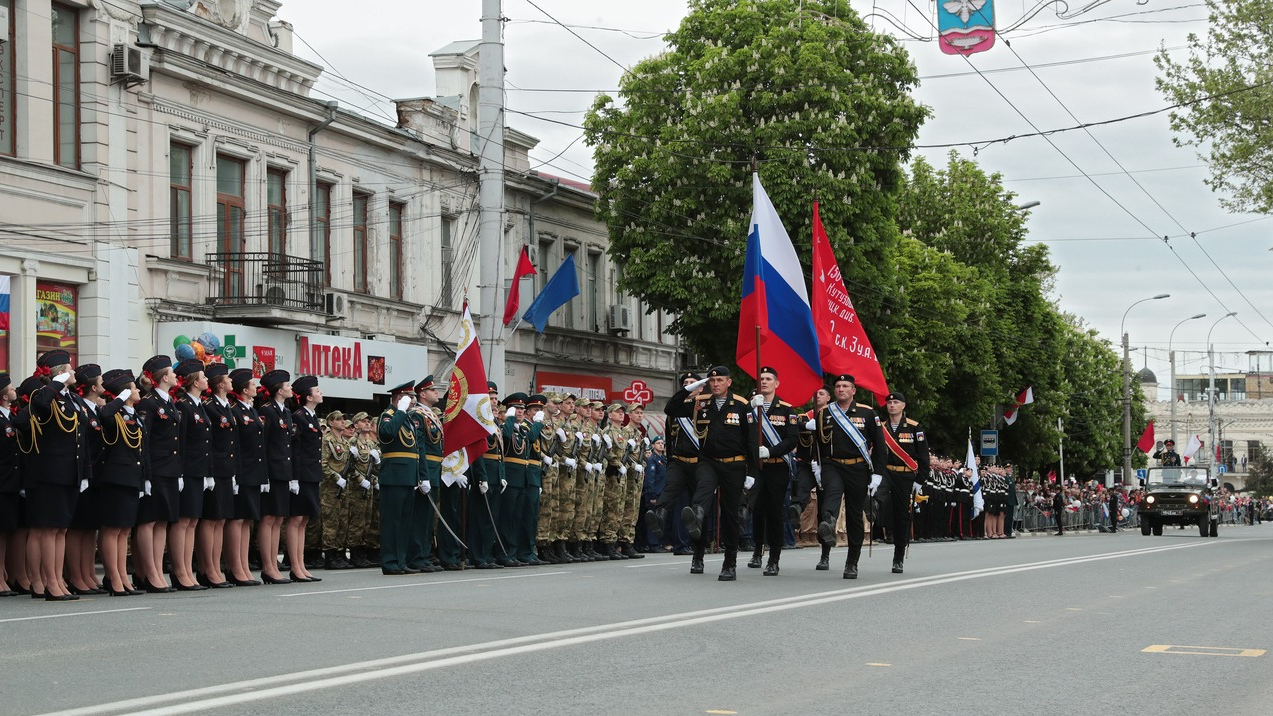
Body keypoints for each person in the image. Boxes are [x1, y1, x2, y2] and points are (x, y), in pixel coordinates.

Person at [677, 365, 759, 581]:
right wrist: (689, 390)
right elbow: (671, 409)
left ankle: (729, 562)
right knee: (702, 494)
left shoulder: (742, 405)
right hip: (709, 461)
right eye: (711, 381)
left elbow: (751, 441)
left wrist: (753, 471)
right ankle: (696, 520)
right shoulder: (701, 403)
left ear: (728, 382)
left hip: (734, 464)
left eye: (720, 380)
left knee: (730, 515)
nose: (715, 384)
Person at [809, 373, 887, 580]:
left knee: (854, 515)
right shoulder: (824, 412)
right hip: (832, 464)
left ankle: (852, 562)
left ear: (853, 391)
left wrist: (878, 475)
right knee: (832, 493)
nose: (841, 389)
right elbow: (816, 443)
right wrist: (816, 464)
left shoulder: (868, 413)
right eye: (838, 386)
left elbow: (880, 447)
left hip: (858, 467)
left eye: (845, 386)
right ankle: (828, 522)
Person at [95, 369, 146, 596]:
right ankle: (113, 577)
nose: (137, 391)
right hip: (116, 478)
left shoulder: (133, 415)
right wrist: (120, 397)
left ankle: (123, 576)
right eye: (133, 388)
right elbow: (104, 415)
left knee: (124, 530)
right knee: (112, 529)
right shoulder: (112, 413)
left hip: (132, 476)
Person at [746, 367, 800, 577]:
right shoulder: (750, 408)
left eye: (769, 379)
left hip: (777, 465)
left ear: (776, 383)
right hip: (756, 467)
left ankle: (774, 558)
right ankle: (758, 550)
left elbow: (791, 439)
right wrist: (750, 408)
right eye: (761, 379)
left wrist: (771, 450)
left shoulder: (787, 410)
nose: (765, 382)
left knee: (775, 512)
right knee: (757, 509)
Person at [135, 354, 181, 594]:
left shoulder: (169, 401)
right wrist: (146, 475)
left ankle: (156, 570)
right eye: (172, 373)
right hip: (156, 469)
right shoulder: (149, 403)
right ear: (164, 377)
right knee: (149, 520)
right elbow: (145, 441)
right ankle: (149, 572)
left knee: (162, 520)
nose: (175, 376)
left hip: (170, 468)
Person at [645, 372, 705, 550]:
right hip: (679, 461)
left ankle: (696, 543)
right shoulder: (675, 411)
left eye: (693, 383)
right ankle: (674, 537)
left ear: (701, 387)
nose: (689, 386)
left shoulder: (705, 407)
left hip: (699, 463)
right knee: (676, 501)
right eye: (686, 383)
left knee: (697, 506)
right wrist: (670, 460)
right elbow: (670, 440)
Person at [879, 391, 929, 573]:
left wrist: (920, 479)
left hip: (905, 475)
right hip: (886, 472)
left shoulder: (914, 428)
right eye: (889, 402)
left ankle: (898, 556)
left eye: (896, 402)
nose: (892, 405)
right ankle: (880, 524)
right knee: (878, 498)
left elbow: (923, 456)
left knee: (902, 516)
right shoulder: (881, 427)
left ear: (903, 406)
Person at [171, 359, 210, 591]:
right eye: (203, 377)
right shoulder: (184, 405)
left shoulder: (198, 405)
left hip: (199, 470)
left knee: (193, 521)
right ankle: (180, 571)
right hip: (187, 470)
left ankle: (188, 569)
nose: (207, 380)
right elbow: (181, 441)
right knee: (183, 521)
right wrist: (181, 471)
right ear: (195, 382)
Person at [198, 362, 237, 588]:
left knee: (221, 520)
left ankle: (215, 566)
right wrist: (210, 472)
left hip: (226, 469)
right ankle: (208, 568)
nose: (231, 382)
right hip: (214, 468)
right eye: (228, 379)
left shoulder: (226, 406)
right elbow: (209, 443)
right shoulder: (210, 406)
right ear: (221, 383)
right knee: (211, 519)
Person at [378, 380, 420, 574]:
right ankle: (389, 561)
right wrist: (400, 412)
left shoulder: (408, 419)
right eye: (409, 398)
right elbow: (386, 434)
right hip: (394, 476)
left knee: (405, 522)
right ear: (398, 399)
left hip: (408, 476)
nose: (413, 401)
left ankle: (401, 561)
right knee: (392, 522)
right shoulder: (388, 416)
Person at [226, 368, 264, 586]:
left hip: (253, 471)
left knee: (247, 519)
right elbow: (237, 445)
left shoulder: (251, 410)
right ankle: (235, 567)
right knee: (238, 518)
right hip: (241, 470)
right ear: (244, 389)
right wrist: (235, 473)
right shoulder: (236, 411)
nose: (256, 387)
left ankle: (244, 565)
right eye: (252, 384)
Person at [256, 369, 294, 584]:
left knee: (278, 518)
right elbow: (264, 444)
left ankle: (273, 563)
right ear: (279, 390)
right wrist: (265, 475)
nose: (290, 388)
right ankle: (268, 566)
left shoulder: (285, 411)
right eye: (287, 386)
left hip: (283, 470)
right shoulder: (267, 410)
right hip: (271, 470)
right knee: (269, 518)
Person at [790, 385, 833, 569]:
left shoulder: (836, 418)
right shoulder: (804, 417)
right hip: (807, 464)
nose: (817, 397)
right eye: (815, 394)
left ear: (829, 397)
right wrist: (804, 426)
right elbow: (790, 428)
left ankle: (825, 555)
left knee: (824, 509)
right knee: (801, 489)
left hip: (828, 467)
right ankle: (796, 509)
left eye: (821, 393)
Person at [406, 376, 444, 573]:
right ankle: (416, 556)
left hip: (435, 469)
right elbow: (419, 446)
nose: (436, 393)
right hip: (426, 469)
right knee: (420, 516)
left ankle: (425, 554)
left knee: (428, 517)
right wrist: (423, 475)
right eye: (432, 390)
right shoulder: (417, 415)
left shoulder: (431, 415)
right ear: (422, 394)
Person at [287, 375, 323, 583]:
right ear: (308, 396)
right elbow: (296, 450)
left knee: (305, 519)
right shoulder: (299, 416)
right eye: (317, 391)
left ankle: (301, 564)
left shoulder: (311, 416)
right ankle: (295, 566)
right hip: (301, 475)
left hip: (311, 474)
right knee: (296, 519)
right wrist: (294, 478)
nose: (320, 393)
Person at [319, 410, 353, 570]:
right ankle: (330, 555)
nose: (342, 422)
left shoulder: (345, 442)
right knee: (331, 522)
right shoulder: (327, 440)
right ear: (331, 423)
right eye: (339, 419)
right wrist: (335, 478)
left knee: (343, 521)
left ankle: (339, 553)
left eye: (343, 419)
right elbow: (323, 464)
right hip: (331, 489)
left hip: (344, 488)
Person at [0, 374, 20, 598]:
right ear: (4, 395)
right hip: (2, 481)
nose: (14, 390)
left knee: (5, 533)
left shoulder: (10, 418)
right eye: (11, 388)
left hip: (11, 481)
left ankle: (3, 577)